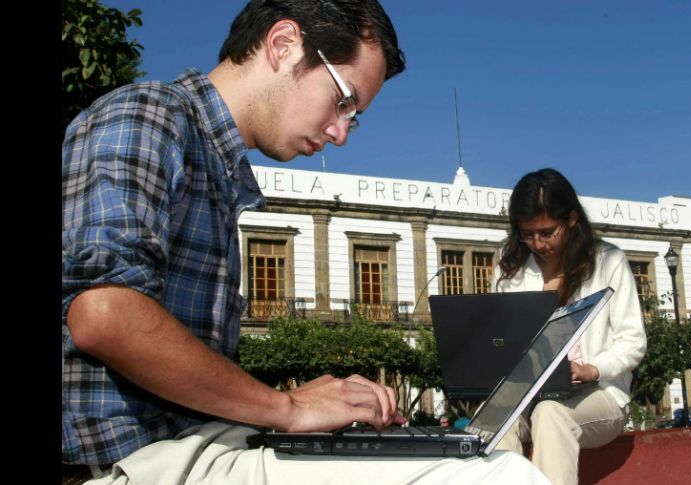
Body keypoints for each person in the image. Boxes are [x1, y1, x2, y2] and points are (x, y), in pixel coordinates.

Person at [62, 2, 550, 484]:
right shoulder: (148, 116)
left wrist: (288, 406)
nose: (341, 133)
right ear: (284, 44)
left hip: (202, 447)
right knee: (500, 475)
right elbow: (106, 313)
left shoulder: (221, 169)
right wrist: (286, 406)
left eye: (352, 116)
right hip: (136, 465)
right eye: (344, 101)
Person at [494, 168, 647, 485]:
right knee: (497, 420)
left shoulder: (608, 261)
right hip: (530, 394)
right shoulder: (511, 267)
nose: (538, 243)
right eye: (527, 234)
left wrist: (591, 369)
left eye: (548, 232)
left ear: (572, 219)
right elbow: (504, 338)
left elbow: (633, 341)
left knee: (550, 413)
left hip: (601, 394)